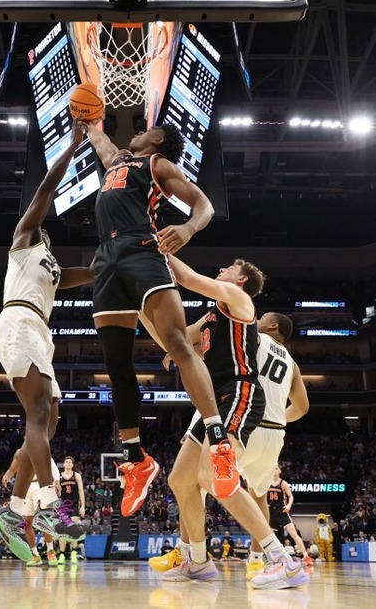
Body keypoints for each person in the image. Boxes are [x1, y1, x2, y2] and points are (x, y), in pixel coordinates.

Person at [84, 122, 237, 516]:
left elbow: (204, 204)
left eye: (145, 130)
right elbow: (101, 142)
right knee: (116, 363)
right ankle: (136, 460)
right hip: (105, 257)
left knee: (176, 341)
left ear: (156, 140)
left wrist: (187, 228)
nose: (136, 133)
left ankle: (218, 440)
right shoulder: (119, 160)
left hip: (141, 247)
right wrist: (88, 123)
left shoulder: (158, 164)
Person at [154, 256, 308, 590]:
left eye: (228, 269)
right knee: (180, 480)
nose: (221, 269)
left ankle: (284, 560)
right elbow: (173, 335)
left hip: (239, 394)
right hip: (214, 401)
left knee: (213, 477)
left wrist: (156, 250)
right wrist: (136, 300)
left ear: (240, 281)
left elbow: (190, 278)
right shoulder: (212, 316)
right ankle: (197, 561)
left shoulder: (240, 300)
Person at [0, 125, 92, 561]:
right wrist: (72, 145)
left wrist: (115, 259)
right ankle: (48, 506)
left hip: (39, 331)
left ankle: (13, 510)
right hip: (18, 322)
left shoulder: (49, 264)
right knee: (38, 414)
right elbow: (45, 192)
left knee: (48, 423)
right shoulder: (23, 240)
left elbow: (80, 274)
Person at [238, 312, 310, 578]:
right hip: (274, 434)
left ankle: (191, 554)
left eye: (263, 317)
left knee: (198, 480)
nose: (257, 318)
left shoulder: (255, 339)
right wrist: (278, 419)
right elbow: (302, 407)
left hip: (246, 424)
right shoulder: (292, 363)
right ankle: (257, 560)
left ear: (273, 326)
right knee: (258, 496)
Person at [0, 448, 63, 566]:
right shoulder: (19, 452)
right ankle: (35, 555)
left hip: (41, 485)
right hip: (25, 488)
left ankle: (50, 551)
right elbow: (13, 469)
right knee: (27, 523)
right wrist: (7, 475)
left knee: (42, 519)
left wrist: (57, 481)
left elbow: (53, 466)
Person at [55, 455, 86, 564]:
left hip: (74, 505)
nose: (68, 463)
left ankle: (74, 553)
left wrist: (83, 506)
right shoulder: (58, 477)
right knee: (62, 530)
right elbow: (57, 493)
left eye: (70, 462)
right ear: (63, 464)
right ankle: (62, 554)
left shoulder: (77, 476)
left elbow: (81, 491)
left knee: (74, 529)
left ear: (72, 465)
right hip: (63, 506)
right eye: (66, 461)